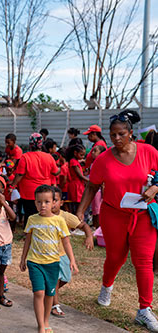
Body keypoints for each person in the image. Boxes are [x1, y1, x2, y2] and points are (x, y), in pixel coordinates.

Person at [76, 110, 158, 332]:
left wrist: (155, 187)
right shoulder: (103, 159)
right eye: (112, 135)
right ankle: (107, 286)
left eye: (121, 134)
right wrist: (81, 211)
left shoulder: (148, 151)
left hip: (143, 214)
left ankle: (144, 310)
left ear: (131, 133)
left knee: (143, 261)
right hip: (113, 214)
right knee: (115, 257)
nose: (116, 139)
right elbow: (92, 186)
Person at [20, 185, 78, 333]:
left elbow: (66, 242)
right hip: (35, 262)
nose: (43, 205)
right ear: (35, 203)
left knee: (49, 294)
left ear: (54, 202)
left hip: (53, 263)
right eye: (39, 202)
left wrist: (72, 260)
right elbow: (28, 240)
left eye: (46, 202)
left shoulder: (59, 221)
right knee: (38, 292)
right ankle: (40, 325)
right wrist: (23, 259)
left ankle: (46, 321)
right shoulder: (32, 219)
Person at [50, 186, 93, 318]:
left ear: (61, 202)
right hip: (49, 256)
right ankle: (55, 305)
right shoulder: (41, 217)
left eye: (54, 200)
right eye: (47, 200)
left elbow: (83, 225)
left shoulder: (66, 216)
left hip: (63, 254)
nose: (51, 203)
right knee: (55, 279)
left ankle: (49, 292)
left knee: (65, 278)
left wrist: (89, 236)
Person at [10, 133, 60, 224]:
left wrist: (12, 185)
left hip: (28, 192)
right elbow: (56, 172)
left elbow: (20, 174)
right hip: (45, 190)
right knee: (44, 212)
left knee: (29, 214)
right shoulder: (49, 157)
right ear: (41, 144)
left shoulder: (25, 157)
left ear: (30, 144)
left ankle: (28, 233)